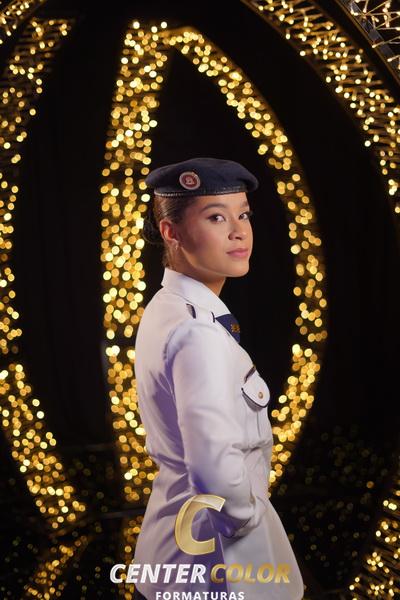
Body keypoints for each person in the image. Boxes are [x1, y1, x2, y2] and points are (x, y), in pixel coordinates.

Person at [132, 157, 305, 599]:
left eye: (243, 215)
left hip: (173, 550)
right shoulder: (198, 332)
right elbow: (213, 469)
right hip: (214, 560)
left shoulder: (167, 306)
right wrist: (247, 523)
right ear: (171, 232)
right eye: (216, 217)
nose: (238, 231)